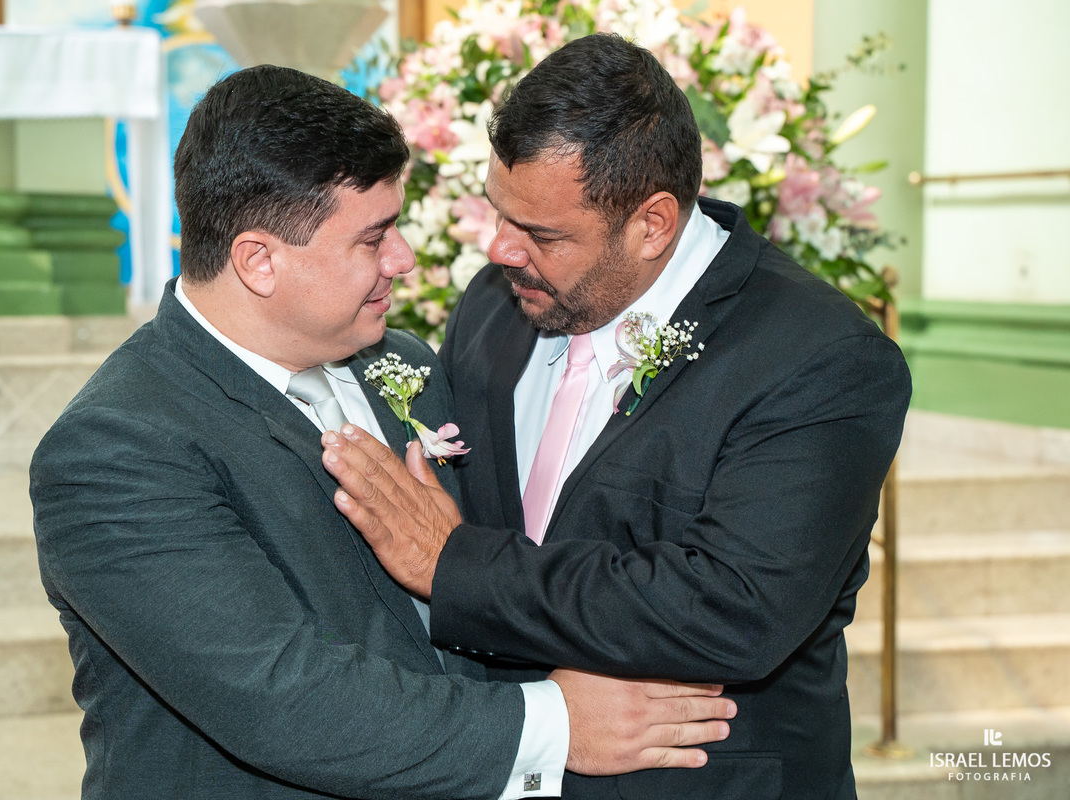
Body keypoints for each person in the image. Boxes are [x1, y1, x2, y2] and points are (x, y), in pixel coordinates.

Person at [29, 64, 736, 800]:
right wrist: (557, 724)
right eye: (374, 238)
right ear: (258, 260)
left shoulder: (403, 366)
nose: (403, 260)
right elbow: (283, 698)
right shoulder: (117, 448)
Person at [320, 33, 912, 799]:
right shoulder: (496, 308)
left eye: (541, 234)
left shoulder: (820, 357)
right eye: (499, 213)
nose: (500, 250)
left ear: (653, 223)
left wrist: (453, 565)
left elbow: (732, 608)